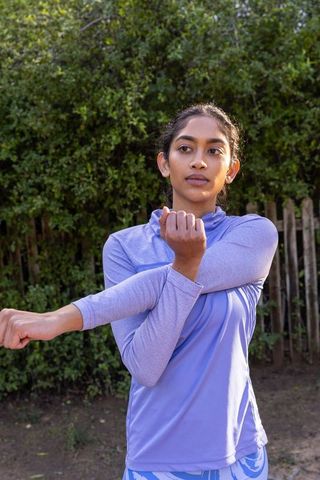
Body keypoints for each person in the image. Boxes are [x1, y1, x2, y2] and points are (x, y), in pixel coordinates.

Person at [0, 103, 278, 480]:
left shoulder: (252, 236)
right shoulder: (124, 247)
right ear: (164, 163)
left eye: (214, 150)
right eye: (185, 148)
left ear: (231, 170)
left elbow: (160, 282)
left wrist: (60, 319)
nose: (199, 161)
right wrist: (185, 266)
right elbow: (145, 367)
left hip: (239, 456)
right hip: (157, 461)